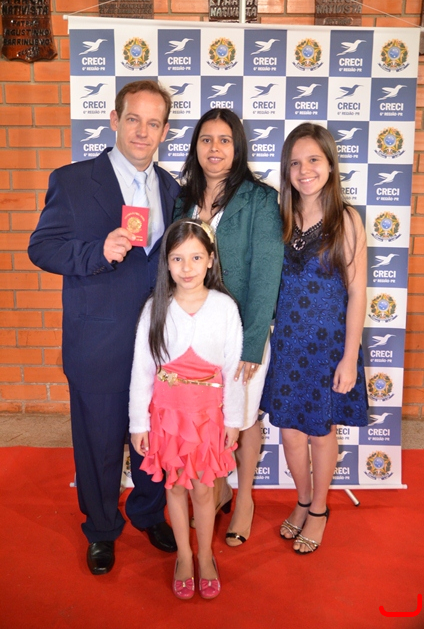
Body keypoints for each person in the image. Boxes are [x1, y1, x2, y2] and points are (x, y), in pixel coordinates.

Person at [28, 80, 181, 575]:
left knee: (152, 438)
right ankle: (100, 528)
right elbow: (41, 248)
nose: (142, 131)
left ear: (164, 131)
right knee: (97, 442)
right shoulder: (73, 181)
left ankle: (148, 512)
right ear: (115, 120)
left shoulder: (173, 190)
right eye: (133, 119)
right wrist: (96, 252)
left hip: (158, 345)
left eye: (153, 123)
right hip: (97, 342)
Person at [174, 108, 284, 547]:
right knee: (209, 415)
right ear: (195, 147)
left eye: (224, 140)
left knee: (243, 414)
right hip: (194, 332)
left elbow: (267, 273)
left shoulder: (259, 199)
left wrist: (253, 342)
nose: (214, 148)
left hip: (241, 330)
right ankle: (217, 489)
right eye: (206, 139)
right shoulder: (183, 198)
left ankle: (244, 500)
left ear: (238, 148)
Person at [261, 122, 368, 554]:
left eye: (313, 160)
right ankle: (303, 501)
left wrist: (349, 358)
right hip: (287, 345)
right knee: (289, 433)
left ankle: (320, 509)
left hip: (328, 349)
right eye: (295, 163)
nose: (304, 170)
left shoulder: (346, 219)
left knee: (321, 432)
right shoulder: (280, 218)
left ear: (330, 164)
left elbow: (358, 293)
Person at [129, 219, 244, 599]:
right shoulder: (155, 308)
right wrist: (138, 423)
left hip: (208, 417)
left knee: (205, 490)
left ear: (211, 260)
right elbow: (142, 370)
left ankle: (205, 555)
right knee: (176, 487)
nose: (187, 267)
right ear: (167, 263)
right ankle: (183, 555)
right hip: (168, 417)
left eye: (196, 257)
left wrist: (234, 420)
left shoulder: (225, 308)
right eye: (177, 258)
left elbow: (233, 370)